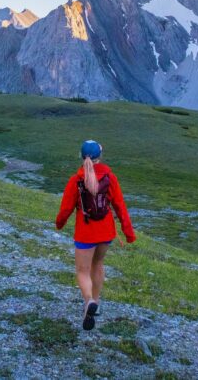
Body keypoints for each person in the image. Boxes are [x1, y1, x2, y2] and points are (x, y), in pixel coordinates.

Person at [55, 139, 136, 331]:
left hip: (85, 232)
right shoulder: (110, 177)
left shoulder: (76, 180)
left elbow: (66, 208)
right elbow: (120, 207)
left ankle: (89, 301)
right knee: (98, 264)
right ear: (100, 156)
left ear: (81, 157)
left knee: (83, 271)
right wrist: (128, 233)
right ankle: (95, 302)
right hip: (106, 231)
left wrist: (59, 224)